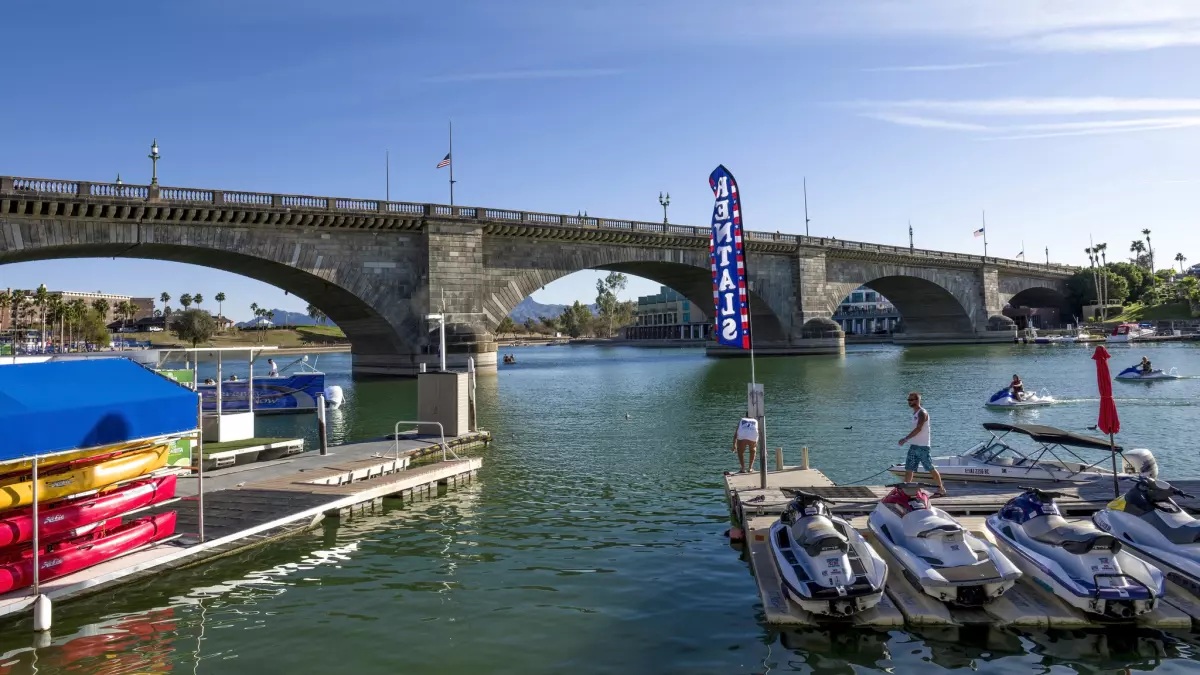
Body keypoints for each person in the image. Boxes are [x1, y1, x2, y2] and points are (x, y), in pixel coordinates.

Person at [898, 392, 948, 497]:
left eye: (911, 400)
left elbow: (919, 428)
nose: (909, 402)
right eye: (908, 400)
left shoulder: (922, 413)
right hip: (914, 446)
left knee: (930, 467)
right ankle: (906, 491)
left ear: (917, 400)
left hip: (923, 447)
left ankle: (941, 489)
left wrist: (905, 439)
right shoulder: (914, 414)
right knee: (909, 469)